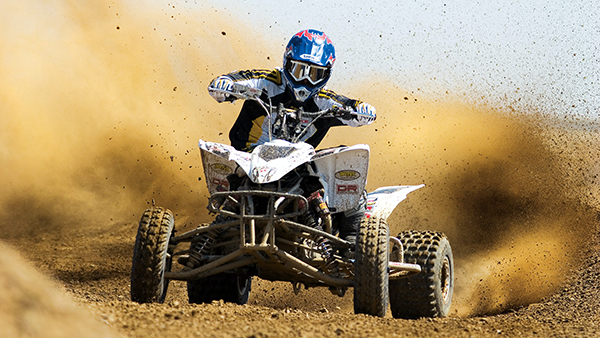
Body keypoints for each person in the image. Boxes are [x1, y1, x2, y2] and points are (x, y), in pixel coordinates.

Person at [206, 29, 376, 246]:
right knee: (224, 170)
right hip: (249, 162)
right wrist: (225, 84)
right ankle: (213, 239)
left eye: (314, 74)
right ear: (287, 63)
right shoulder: (266, 82)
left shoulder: (324, 101)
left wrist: (361, 110)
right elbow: (236, 79)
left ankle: (354, 243)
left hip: (298, 169)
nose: (305, 79)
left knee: (346, 164)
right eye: (298, 70)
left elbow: (350, 106)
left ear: (326, 75)